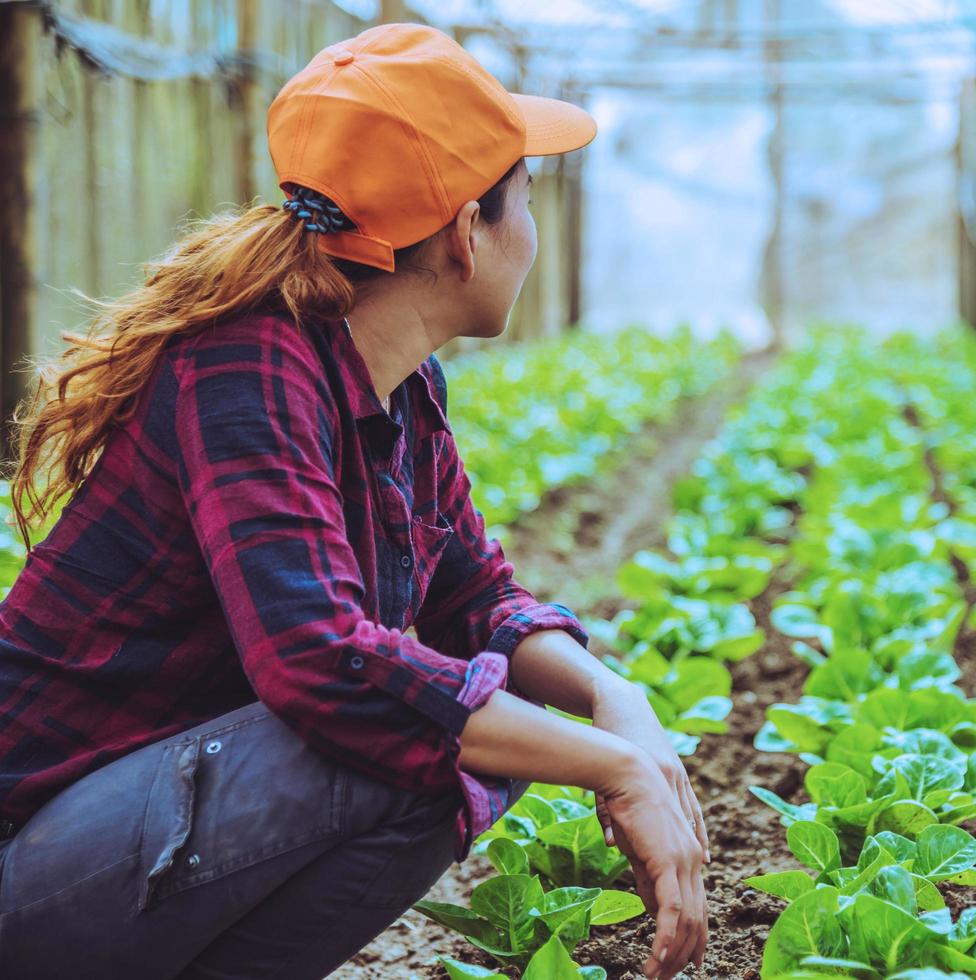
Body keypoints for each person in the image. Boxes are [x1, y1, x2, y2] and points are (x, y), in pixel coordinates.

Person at [0, 22, 708, 980]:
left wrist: (615, 704)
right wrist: (610, 768)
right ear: (467, 232)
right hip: (30, 857)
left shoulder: (396, 384)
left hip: (122, 833)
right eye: (527, 200)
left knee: (450, 719)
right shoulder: (246, 365)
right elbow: (318, 661)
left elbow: (475, 597)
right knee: (419, 734)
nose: (532, 230)